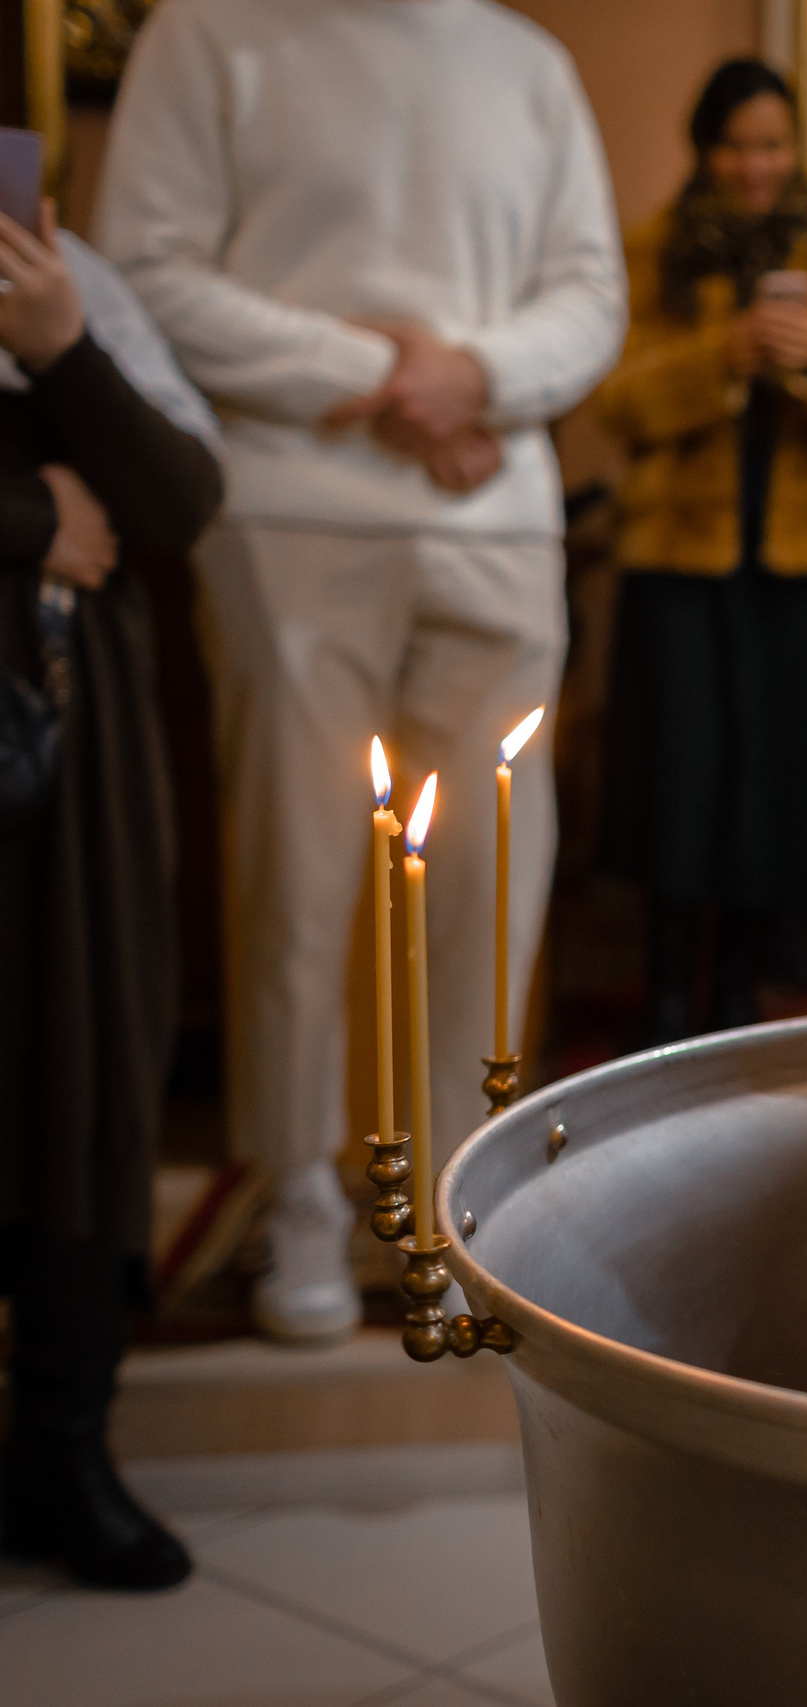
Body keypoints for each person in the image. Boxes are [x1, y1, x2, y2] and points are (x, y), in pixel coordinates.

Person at [96, 0, 626, 1342]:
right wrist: (386, 376)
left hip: (496, 510)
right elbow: (146, 271)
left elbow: (589, 296)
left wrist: (481, 375)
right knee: (302, 867)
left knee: (490, 883)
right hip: (293, 507)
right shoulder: (209, 35)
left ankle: (453, 1208)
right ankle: (299, 1205)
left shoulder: (526, 62)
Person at [0, 205, 224, 1589]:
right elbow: (67, 514)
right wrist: (26, 509)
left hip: (75, 760)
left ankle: (61, 1452)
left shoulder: (70, 280)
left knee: (82, 1074)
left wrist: (61, 345)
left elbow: (181, 501)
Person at [594, 60, 807, 1038]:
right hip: (679, 565)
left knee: (768, 784)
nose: (754, 164)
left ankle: (733, 994)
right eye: (735, 144)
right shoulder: (653, 249)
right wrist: (719, 359)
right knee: (681, 775)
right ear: (704, 149)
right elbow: (618, 402)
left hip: (800, 567)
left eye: (771, 144)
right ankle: (666, 991)